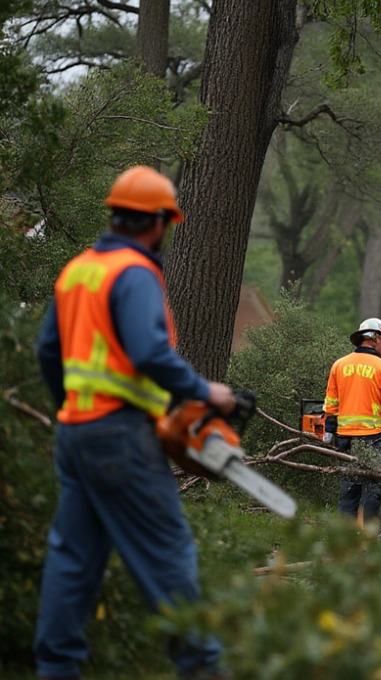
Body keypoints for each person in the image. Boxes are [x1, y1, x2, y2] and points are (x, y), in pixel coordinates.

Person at [34, 166, 237, 680]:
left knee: (72, 560)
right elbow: (149, 352)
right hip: (121, 437)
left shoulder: (77, 270)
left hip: (77, 433)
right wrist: (205, 391)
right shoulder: (136, 272)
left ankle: (55, 670)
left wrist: (75, 410)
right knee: (167, 552)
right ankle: (202, 668)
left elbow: (47, 351)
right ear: (159, 222)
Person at [323, 317, 381, 527]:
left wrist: (329, 430)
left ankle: (344, 544)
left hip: (345, 440)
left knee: (348, 494)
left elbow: (331, 403)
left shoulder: (339, 365)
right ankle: (370, 543)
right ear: (375, 338)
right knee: (374, 493)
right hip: (374, 440)